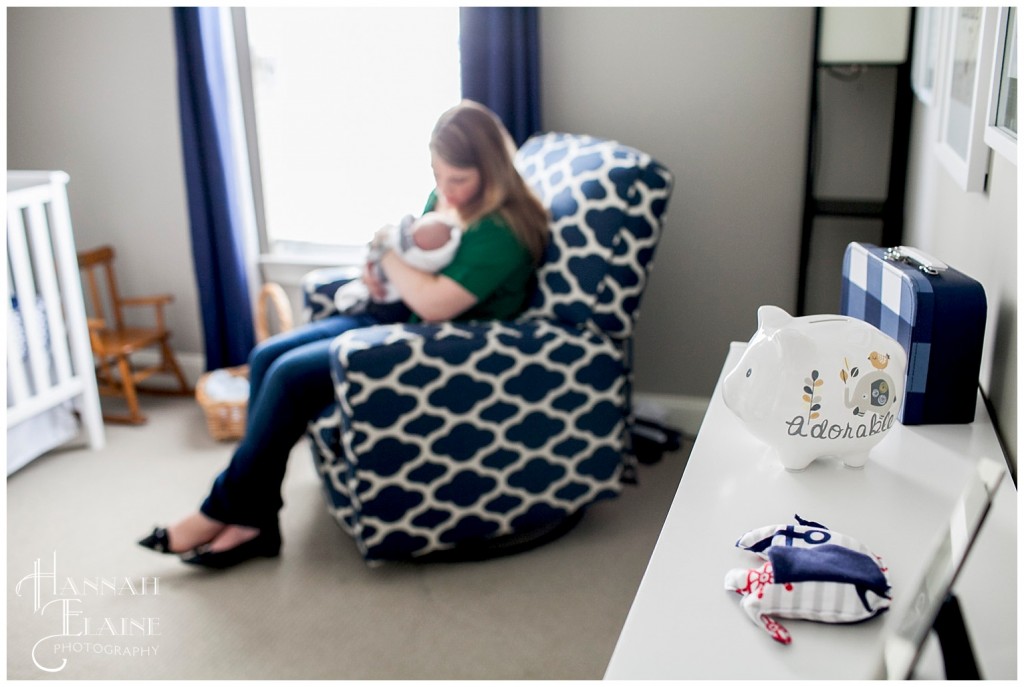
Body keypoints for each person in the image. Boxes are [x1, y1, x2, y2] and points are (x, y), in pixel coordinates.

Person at [138, 100, 550, 569]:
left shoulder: (503, 229)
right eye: (438, 177)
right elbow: (411, 257)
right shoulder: (450, 201)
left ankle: (221, 511)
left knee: (290, 376)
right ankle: (257, 522)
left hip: (437, 350)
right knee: (266, 357)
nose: (445, 192)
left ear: (492, 170)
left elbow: (436, 304)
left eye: (458, 180)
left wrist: (386, 252)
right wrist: (373, 269)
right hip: (393, 314)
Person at [332, 211, 462, 323]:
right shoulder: (434, 202)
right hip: (366, 295)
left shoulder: (431, 258)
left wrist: (385, 251)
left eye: (459, 180)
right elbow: (384, 237)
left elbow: (434, 309)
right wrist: (369, 267)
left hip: (381, 315)